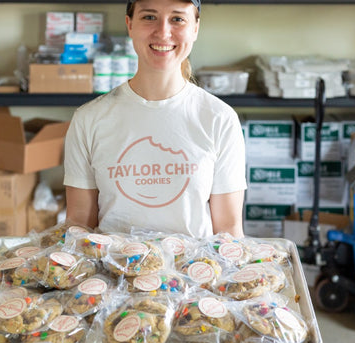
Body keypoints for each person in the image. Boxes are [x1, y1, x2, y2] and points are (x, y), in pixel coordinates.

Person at [63, 0, 247, 239]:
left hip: (195, 272)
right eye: (149, 17)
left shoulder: (219, 119)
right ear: (129, 25)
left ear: (195, 28)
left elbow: (229, 231)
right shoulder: (88, 119)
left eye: (177, 19)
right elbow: (79, 228)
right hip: (114, 272)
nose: (163, 32)